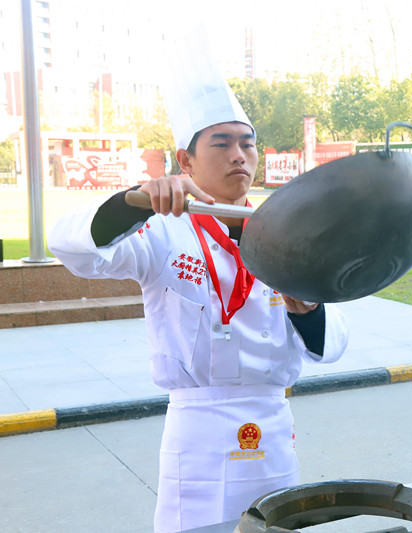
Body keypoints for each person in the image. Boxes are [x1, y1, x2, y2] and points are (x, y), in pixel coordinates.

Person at [48, 30, 348, 533]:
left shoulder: (284, 236)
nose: (239, 155)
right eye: (222, 143)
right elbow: (71, 247)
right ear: (185, 161)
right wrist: (134, 201)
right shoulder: (162, 231)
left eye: (247, 144)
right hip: (199, 436)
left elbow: (332, 345)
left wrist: (309, 310)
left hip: (274, 430)